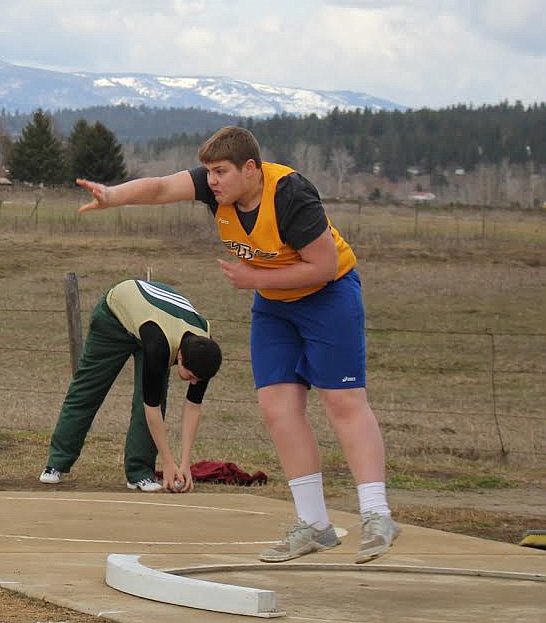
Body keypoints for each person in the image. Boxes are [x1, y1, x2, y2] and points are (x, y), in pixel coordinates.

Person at [75, 126, 399, 564]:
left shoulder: (291, 195)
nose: (212, 181)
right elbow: (160, 187)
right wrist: (113, 196)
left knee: (342, 402)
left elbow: (323, 267)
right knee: (277, 408)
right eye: (208, 172)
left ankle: (377, 514)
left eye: (221, 171)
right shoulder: (218, 190)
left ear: (251, 168)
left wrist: (255, 280)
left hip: (328, 298)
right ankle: (315, 525)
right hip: (275, 304)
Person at [40, 278, 222, 493]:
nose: (194, 383)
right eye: (190, 376)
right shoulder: (159, 345)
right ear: (180, 356)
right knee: (89, 390)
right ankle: (56, 463)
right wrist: (167, 462)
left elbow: (193, 407)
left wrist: (184, 464)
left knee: (156, 397)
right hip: (115, 316)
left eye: (197, 380)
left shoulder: (206, 352)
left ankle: (139, 474)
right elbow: (150, 408)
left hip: (152, 321)